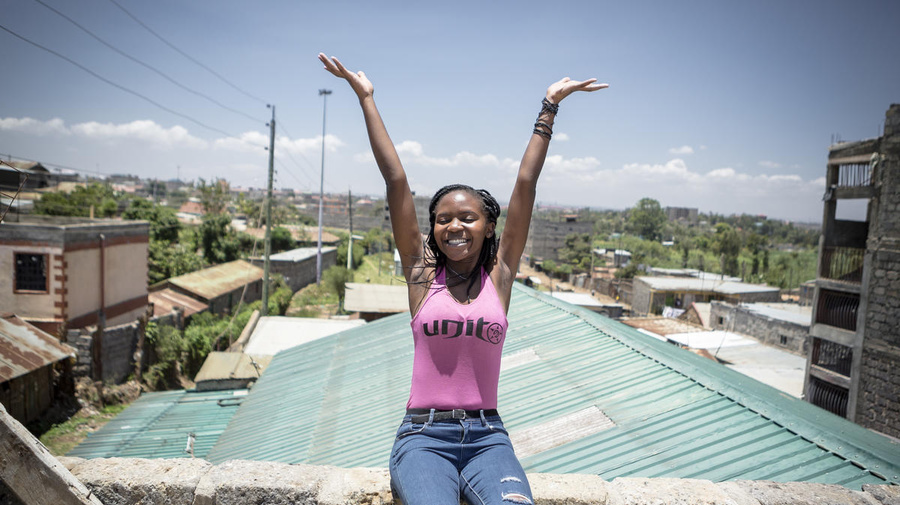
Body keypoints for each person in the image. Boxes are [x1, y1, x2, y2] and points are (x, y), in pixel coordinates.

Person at [319, 53, 607, 505]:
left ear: (488, 226)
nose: (454, 226)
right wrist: (366, 98)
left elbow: (525, 184)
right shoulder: (421, 275)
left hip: (488, 437)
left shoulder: (502, 275)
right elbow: (396, 181)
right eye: (443, 219)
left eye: (468, 218)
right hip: (423, 437)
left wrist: (549, 105)